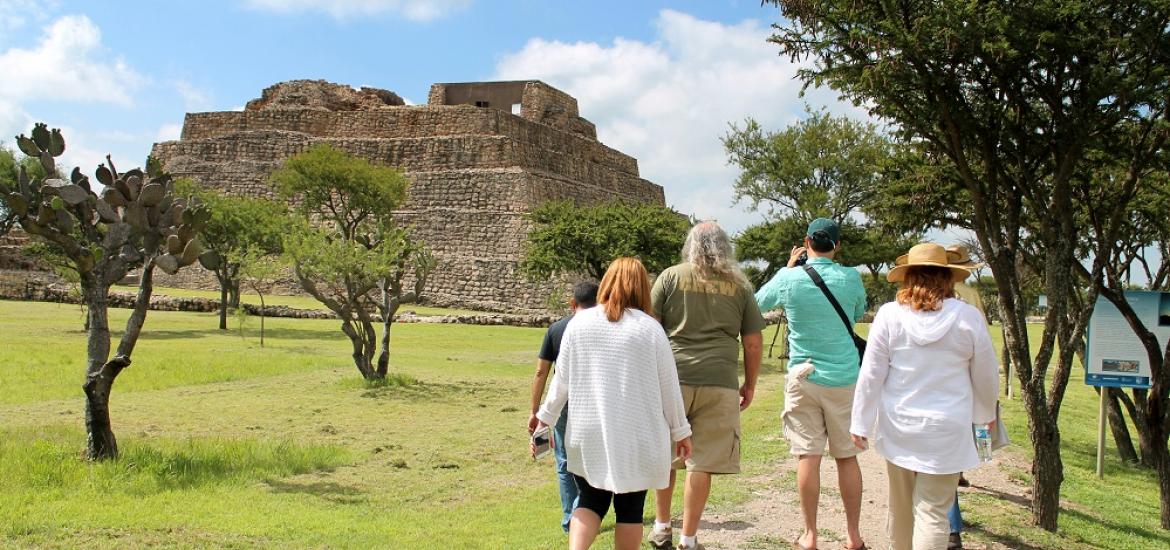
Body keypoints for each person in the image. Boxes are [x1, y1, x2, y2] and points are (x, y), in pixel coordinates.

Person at [534, 257, 694, 550]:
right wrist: (681, 431)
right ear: (643, 288)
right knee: (630, 510)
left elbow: (561, 382)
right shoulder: (650, 329)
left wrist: (544, 419)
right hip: (636, 434)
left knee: (591, 501)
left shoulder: (578, 323)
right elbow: (669, 388)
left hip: (587, 432)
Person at [850, 243, 999, 550]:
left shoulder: (889, 316)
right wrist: (984, 419)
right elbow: (986, 377)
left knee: (902, 509)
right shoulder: (968, 318)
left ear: (908, 278)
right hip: (948, 429)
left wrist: (860, 422)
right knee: (932, 512)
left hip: (900, 426)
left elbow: (871, 374)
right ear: (947, 278)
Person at [647, 221, 766, 550]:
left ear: (691, 245)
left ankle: (660, 526)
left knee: (668, 456)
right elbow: (753, 343)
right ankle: (688, 537)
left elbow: (650, 329)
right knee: (702, 463)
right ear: (725, 247)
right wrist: (749, 384)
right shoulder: (739, 286)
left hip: (673, 380)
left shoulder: (670, 276)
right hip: (720, 381)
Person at [755, 218, 868, 550]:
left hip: (803, 375)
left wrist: (788, 267)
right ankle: (853, 536)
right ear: (837, 246)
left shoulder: (789, 278)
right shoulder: (851, 277)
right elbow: (858, 310)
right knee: (847, 458)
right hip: (845, 376)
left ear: (806, 242)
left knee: (808, 456)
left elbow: (757, 303)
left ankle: (810, 535)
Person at [528, 281, 599, 533]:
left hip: (563, 401)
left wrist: (535, 410)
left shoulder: (557, 329)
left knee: (564, 461)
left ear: (572, 304)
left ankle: (572, 518)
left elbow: (541, 372)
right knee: (593, 458)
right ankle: (588, 511)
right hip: (594, 400)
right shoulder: (605, 327)